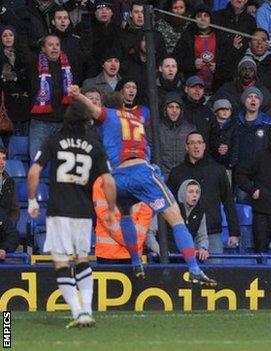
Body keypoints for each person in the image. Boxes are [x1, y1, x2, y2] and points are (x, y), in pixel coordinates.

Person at [69, 85, 217, 287]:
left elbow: (94, 111)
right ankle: (194, 269)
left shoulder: (108, 116)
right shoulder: (136, 119)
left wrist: (77, 96)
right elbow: (145, 151)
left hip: (117, 177)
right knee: (176, 218)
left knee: (127, 215)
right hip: (139, 170)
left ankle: (136, 262)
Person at [27, 99, 117, 328]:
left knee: (61, 262)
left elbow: (33, 173)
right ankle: (87, 311)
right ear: (87, 121)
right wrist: (112, 208)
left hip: (59, 210)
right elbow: (108, 180)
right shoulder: (95, 144)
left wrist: (31, 202)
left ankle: (77, 312)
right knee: (82, 260)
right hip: (84, 212)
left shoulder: (54, 140)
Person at [235, 125, 271, 253]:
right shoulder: (260, 156)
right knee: (260, 254)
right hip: (261, 213)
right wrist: (252, 190)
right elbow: (239, 174)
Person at [93, 175, 152, 264]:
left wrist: (131, 242)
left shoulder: (102, 181)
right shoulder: (102, 181)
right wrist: (131, 242)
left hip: (113, 252)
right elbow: (104, 216)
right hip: (110, 254)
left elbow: (147, 213)